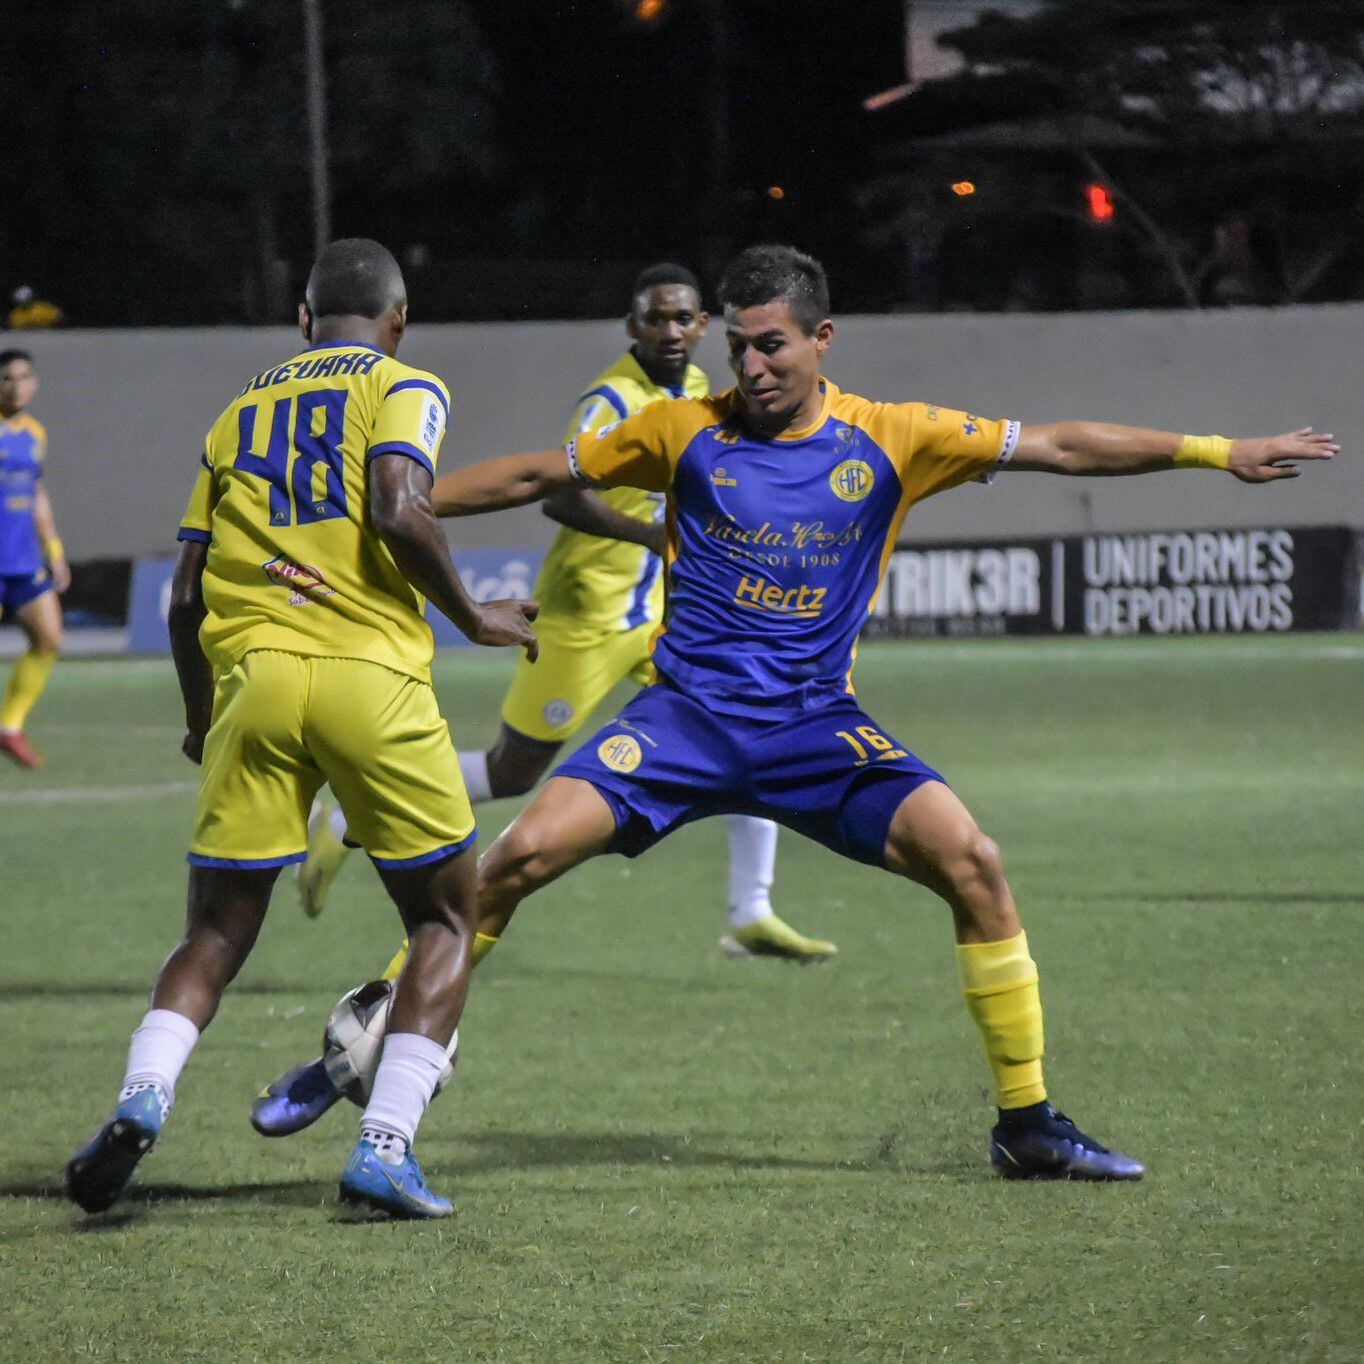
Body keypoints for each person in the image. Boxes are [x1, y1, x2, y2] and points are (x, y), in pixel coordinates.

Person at [390, 243, 1333, 1180]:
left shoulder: (896, 435)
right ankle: (371, 1050)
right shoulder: (684, 430)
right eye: (740, 350)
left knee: (975, 865)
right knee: (507, 862)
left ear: (822, 339)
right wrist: (392, 502)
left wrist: (1220, 452)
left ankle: (1028, 1122)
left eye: (772, 347)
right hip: (682, 721)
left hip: (813, 729)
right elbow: (532, 478)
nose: (751, 368)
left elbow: (1060, 445)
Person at [65, 239, 537, 1220]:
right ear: (398, 317)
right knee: (447, 916)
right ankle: (383, 1145)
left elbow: (186, 593)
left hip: (258, 683)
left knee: (214, 927)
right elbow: (403, 509)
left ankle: (140, 1100)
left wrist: (202, 715)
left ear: (301, 319)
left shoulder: (239, 412)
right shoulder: (406, 384)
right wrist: (474, 614)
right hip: (372, 680)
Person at [298, 263, 834, 959]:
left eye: (683, 319)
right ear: (631, 326)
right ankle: (348, 808)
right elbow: (559, 494)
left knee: (749, 726)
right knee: (514, 771)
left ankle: (750, 910)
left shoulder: (706, 391)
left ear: (705, 326)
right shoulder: (612, 398)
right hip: (581, 620)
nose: (670, 331)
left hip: (655, 621)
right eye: (655, 318)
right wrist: (652, 534)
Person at [0, 349, 68, 768]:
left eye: (23, 377)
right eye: (7, 378)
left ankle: (9, 727)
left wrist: (54, 550)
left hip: (24, 563)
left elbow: (36, 494)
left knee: (49, 640)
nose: (16, 385)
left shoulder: (34, 433)